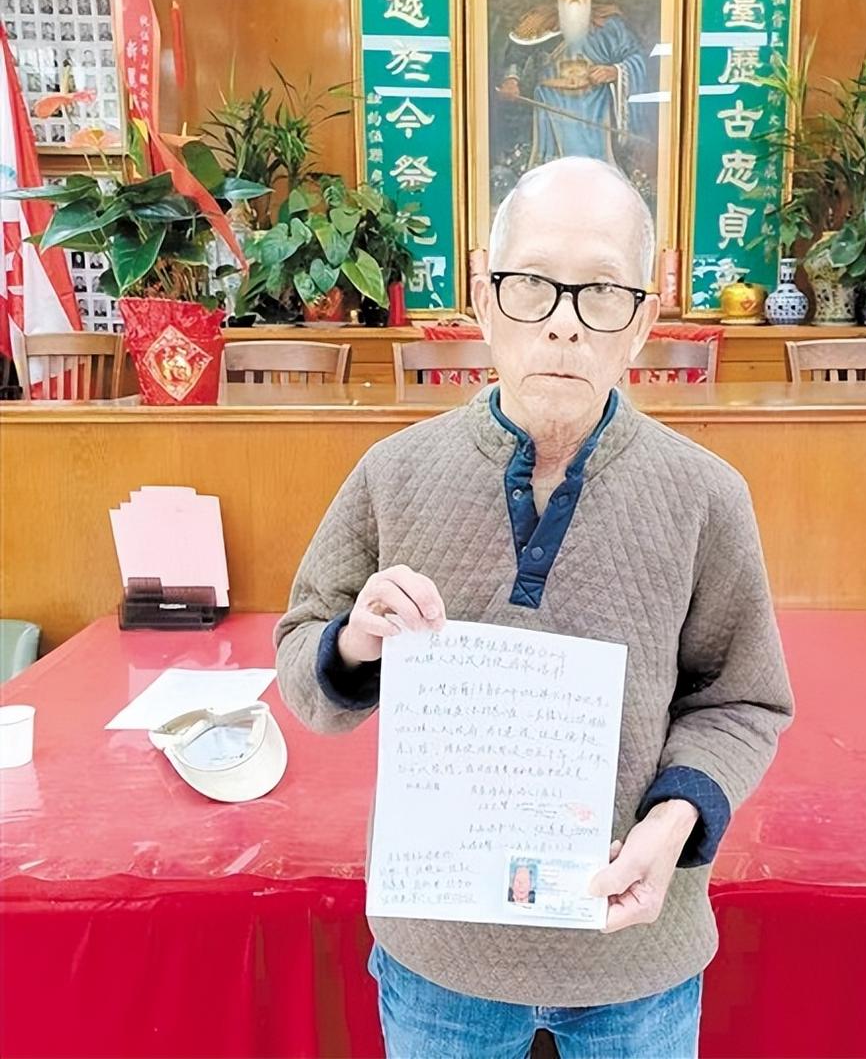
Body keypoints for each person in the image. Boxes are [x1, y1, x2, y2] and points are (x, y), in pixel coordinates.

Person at [274, 155, 794, 1058]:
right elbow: (300, 655)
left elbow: (742, 700)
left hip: (634, 956)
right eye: (533, 286)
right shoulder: (394, 474)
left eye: (602, 293)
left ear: (643, 322)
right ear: (484, 298)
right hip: (442, 955)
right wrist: (353, 642)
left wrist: (674, 822)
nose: (563, 323)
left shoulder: (705, 496)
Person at [497, 0, 646, 169]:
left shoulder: (609, 24)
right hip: (551, 106)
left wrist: (614, 71)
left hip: (595, 108)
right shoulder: (539, 21)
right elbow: (516, 55)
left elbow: (636, 58)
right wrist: (511, 80)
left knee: (595, 169)